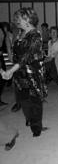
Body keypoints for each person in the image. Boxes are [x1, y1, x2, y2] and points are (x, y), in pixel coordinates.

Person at [1, 8, 48, 137]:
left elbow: (27, 56)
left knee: (35, 101)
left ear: (28, 19)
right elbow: (15, 54)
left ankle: (36, 128)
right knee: (24, 100)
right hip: (19, 72)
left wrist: (11, 69)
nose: (16, 20)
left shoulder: (35, 35)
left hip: (32, 73)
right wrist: (10, 69)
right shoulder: (20, 33)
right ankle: (30, 119)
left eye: (19, 18)